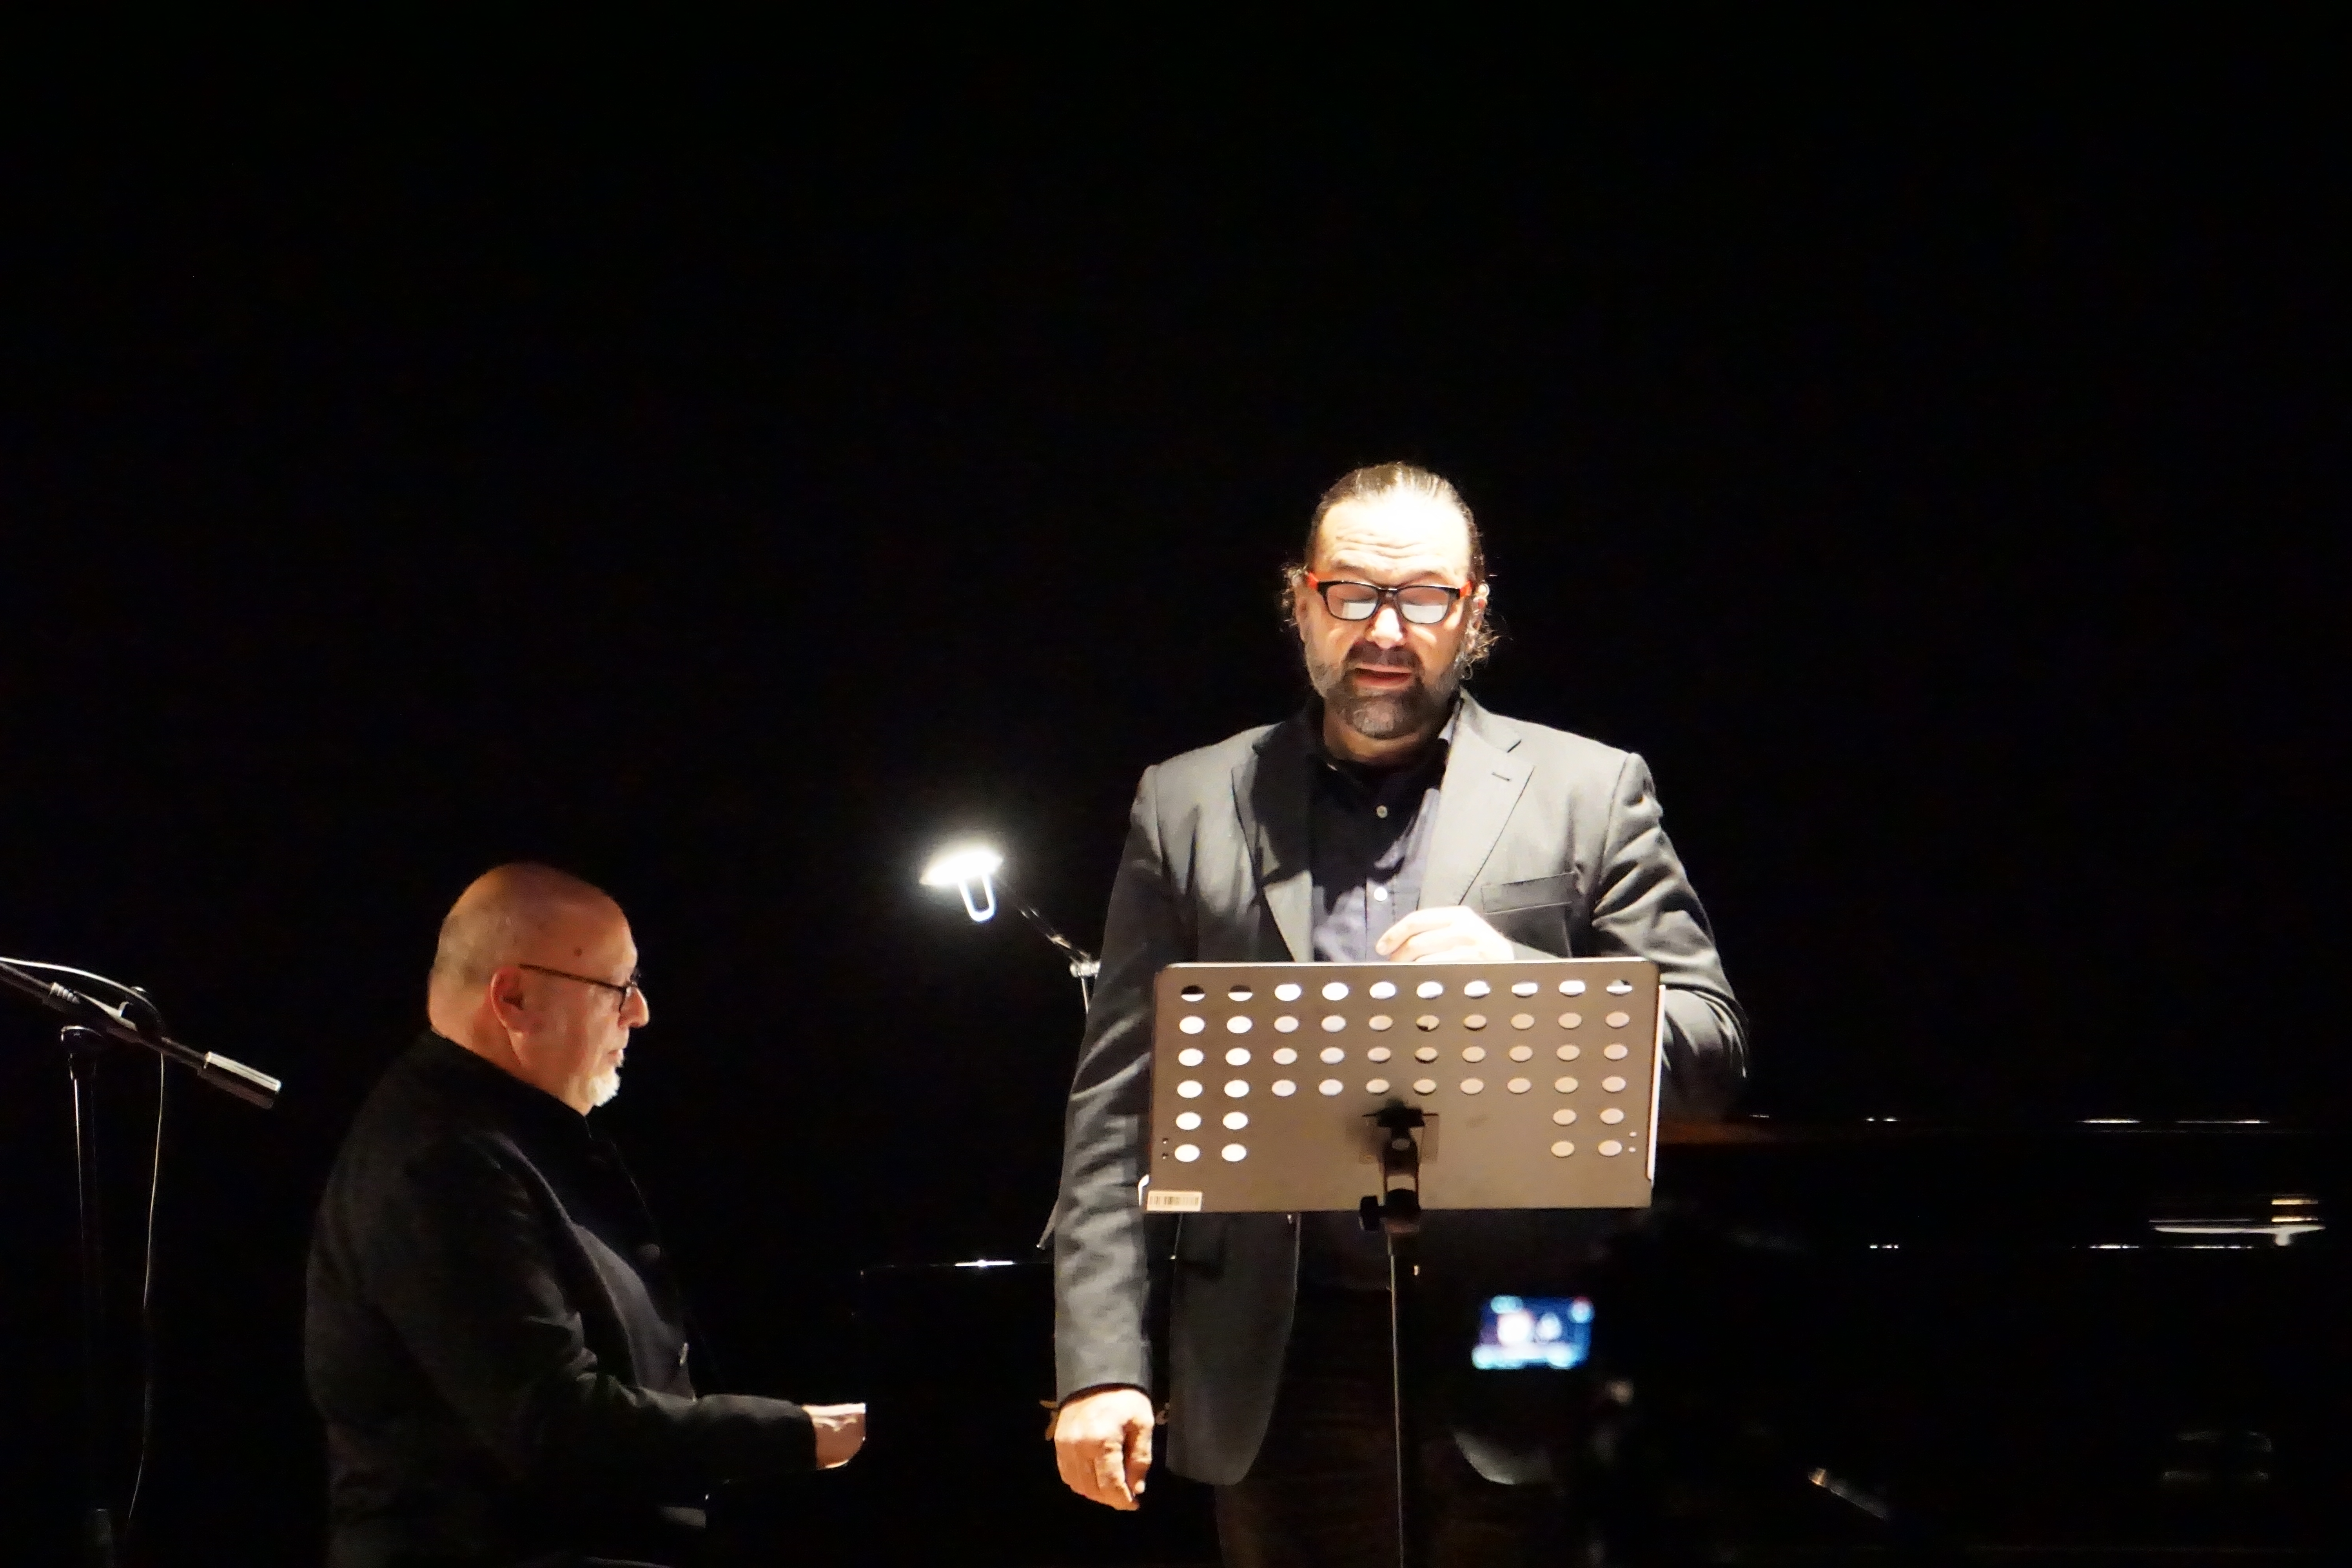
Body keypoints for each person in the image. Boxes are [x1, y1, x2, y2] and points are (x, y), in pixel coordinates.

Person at [1048, 463, 1746, 1565]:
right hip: (1278, 1360)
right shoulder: (1184, 801)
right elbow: (1117, 1104)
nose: (1385, 628)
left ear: (1475, 611)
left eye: (1424, 596)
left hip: (1520, 1348)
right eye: (1353, 593)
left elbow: (1709, 1052)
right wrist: (1100, 1366)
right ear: (1302, 600)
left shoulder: (1592, 789)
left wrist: (1524, 985)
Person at [305, 864, 864, 1567]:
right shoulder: (441, 1161)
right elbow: (557, 1426)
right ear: (513, 998)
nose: (640, 1013)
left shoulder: (503, 1137)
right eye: (618, 988)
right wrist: (808, 1435)